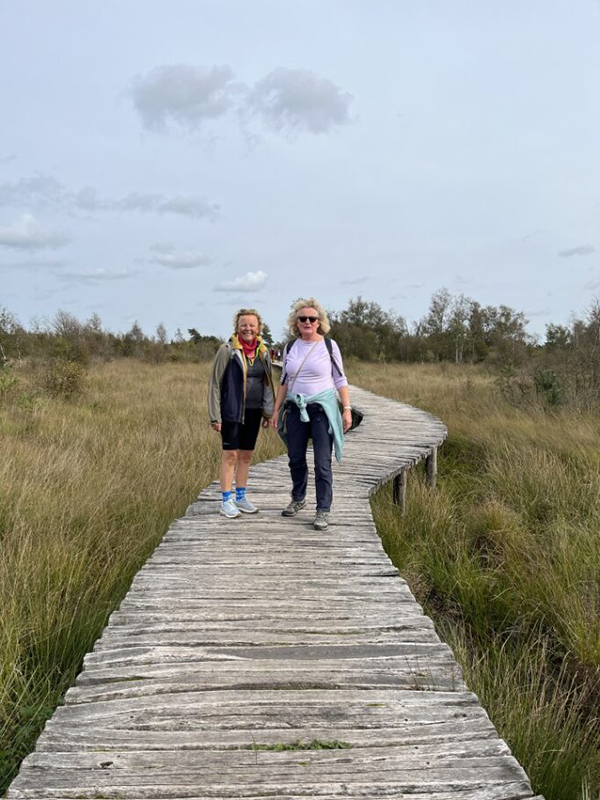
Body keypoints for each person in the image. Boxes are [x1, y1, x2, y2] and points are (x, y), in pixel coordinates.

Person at [271, 298, 352, 531]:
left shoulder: (329, 346)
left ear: (319, 323)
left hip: (322, 410)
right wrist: (276, 410)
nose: (307, 322)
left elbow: (340, 379)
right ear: (296, 323)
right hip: (296, 409)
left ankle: (323, 509)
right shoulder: (290, 347)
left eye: (312, 319)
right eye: (302, 319)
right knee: (295, 458)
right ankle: (298, 498)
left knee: (322, 462)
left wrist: (346, 410)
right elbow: (284, 381)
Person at [208, 309, 275, 518]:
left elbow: (267, 383)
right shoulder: (227, 350)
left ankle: (241, 497)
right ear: (237, 327)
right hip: (232, 412)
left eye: (252, 325)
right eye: (244, 325)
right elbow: (215, 384)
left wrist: (267, 412)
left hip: (254, 412)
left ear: (258, 328)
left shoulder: (263, 351)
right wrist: (215, 416)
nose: (248, 328)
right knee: (231, 455)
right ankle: (226, 501)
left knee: (246, 456)